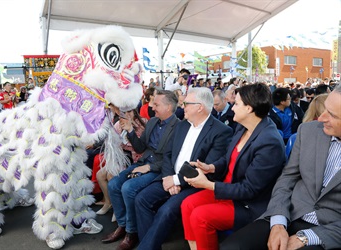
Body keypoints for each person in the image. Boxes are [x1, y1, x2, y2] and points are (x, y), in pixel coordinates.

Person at [220, 84, 341, 250]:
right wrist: (278, 221)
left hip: (330, 229)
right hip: (288, 213)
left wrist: (307, 237)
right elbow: (287, 178)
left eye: (332, 115)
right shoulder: (309, 131)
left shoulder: (268, 137)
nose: (320, 118)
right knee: (232, 247)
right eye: (325, 109)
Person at [181, 83, 286, 250]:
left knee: (200, 216)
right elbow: (228, 158)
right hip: (229, 190)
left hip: (247, 203)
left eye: (236, 104)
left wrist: (208, 185)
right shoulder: (243, 127)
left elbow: (249, 190)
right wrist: (211, 167)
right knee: (188, 205)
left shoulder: (269, 142)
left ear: (249, 109)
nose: (232, 107)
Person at [135, 87, 233, 250]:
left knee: (166, 210)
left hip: (196, 185)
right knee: (141, 199)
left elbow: (204, 169)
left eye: (186, 103)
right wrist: (170, 178)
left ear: (199, 107)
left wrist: (176, 180)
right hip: (170, 177)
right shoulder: (182, 126)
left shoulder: (221, 131)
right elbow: (168, 155)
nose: (182, 107)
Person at [101, 90, 179, 250]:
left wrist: (149, 167)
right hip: (143, 163)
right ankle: (123, 225)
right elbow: (140, 147)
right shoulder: (152, 122)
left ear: (169, 107)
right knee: (114, 184)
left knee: (128, 188)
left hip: (158, 169)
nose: (152, 107)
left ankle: (132, 232)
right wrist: (130, 130)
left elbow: (172, 159)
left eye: (156, 104)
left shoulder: (179, 127)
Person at [95, 108, 147, 216]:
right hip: (121, 158)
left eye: (129, 112)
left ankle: (118, 207)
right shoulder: (118, 124)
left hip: (136, 160)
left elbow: (139, 149)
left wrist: (130, 129)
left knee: (111, 175)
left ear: (134, 111)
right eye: (123, 113)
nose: (126, 115)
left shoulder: (142, 123)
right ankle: (109, 202)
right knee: (99, 175)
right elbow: (112, 143)